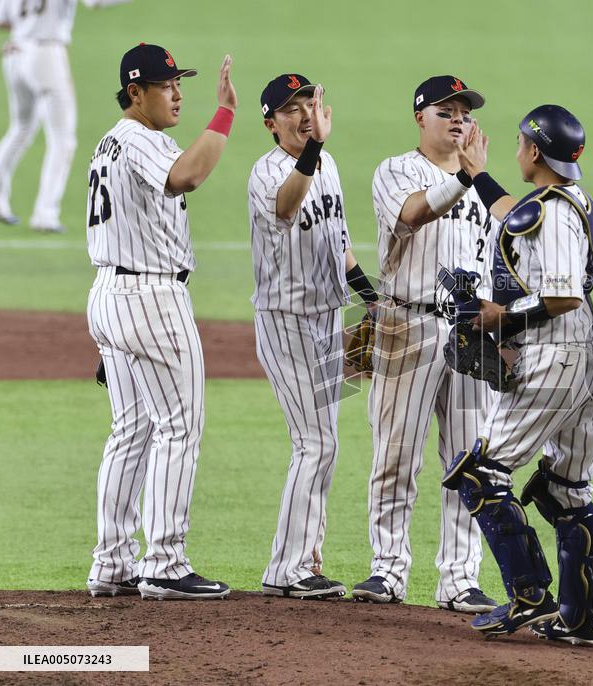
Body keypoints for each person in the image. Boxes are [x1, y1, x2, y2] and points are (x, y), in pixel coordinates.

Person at [442, 104, 593, 646]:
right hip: (583, 355)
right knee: (567, 488)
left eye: (519, 143)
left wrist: (502, 317)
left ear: (534, 152)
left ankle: (528, 593)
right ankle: (579, 618)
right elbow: (518, 215)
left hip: (555, 354)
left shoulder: (554, 212)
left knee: (482, 472)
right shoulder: (569, 200)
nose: (515, 151)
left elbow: (562, 295)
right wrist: (476, 176)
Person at [85, 43, 236, 600]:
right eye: (165, 84)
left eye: (179, 82)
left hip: (110, 294)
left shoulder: (108, 143)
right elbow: (188, 175)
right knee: (179, 427)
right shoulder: (139, 139)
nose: (177, 92)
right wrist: (225, 113)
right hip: (150, 296)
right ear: (135, 93)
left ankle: (112, 563)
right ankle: (165, 562)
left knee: (131, 430)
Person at [354, 75, 497, 613]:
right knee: (396, 454)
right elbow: (413, 213)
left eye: (464, 111)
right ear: (420, 118)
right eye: (446, 111)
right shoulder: (397, 170)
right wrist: (466, 174)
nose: (458, 119)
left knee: (468, 460)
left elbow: (492, 259)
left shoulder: (481, 182)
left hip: (467, 331)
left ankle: (460, 579)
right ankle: (387, 570)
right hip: (406, 325)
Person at [247, 73, 379, 599]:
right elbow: (285, 206)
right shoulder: (267, 171)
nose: (304, 114)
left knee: (323, 443)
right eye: (291, 108)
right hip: (285, 318)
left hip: (327, 317)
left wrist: (371, 297)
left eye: (310, 103)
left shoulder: (329, 165)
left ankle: (305, 558)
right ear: (270, 123)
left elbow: (340, 243)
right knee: (315, 442)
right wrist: (316, 146)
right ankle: (288, 569)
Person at [0, 0, 130, 231]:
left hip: (14, 52)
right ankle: (46, 214)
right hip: (46, 54)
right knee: (62, 140)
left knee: (20, 128)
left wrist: (28, 24)